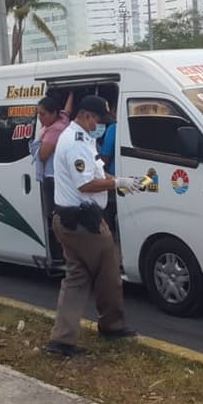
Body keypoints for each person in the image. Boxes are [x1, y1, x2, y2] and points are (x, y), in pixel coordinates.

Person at [44, 95, 144, 357]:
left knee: (76, 278)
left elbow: (96, 173)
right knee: (108, 274)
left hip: (71, 220)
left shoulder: (82, 139)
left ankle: (62, 340)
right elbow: (85, 184)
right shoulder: (75, 143)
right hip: (84, 223)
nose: (101, 126)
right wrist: (116, 183)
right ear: (86, 115)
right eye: (99, 120)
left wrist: (119, 180)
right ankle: (112, 325)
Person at [35, 92, 73, 263]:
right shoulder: (63, 120)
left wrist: (37, 142)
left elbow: (43, 155)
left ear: (53, 113)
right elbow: (67, 111)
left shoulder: (54, 130)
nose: (40, 118)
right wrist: (71, 93)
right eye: (38, 114)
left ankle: (58, 254)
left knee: (53, 217)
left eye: (43, 114)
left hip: (52, 177)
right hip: (59, 177)